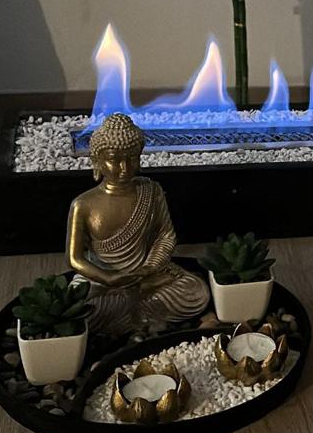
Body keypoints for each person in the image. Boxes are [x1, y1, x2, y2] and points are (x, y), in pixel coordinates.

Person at [66, 113, 209, 335]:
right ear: (97, 160)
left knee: (196, 292)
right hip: (103, 281)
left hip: (146, 276)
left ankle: (130, 314)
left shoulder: (151, 191)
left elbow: (166, 236)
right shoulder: (83, 204)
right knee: (79, 307)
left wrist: (148, 269)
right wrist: (109, 278)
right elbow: (75, 259)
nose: (124, 167)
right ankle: (140, 314)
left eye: (132, 158)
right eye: (114, 159)